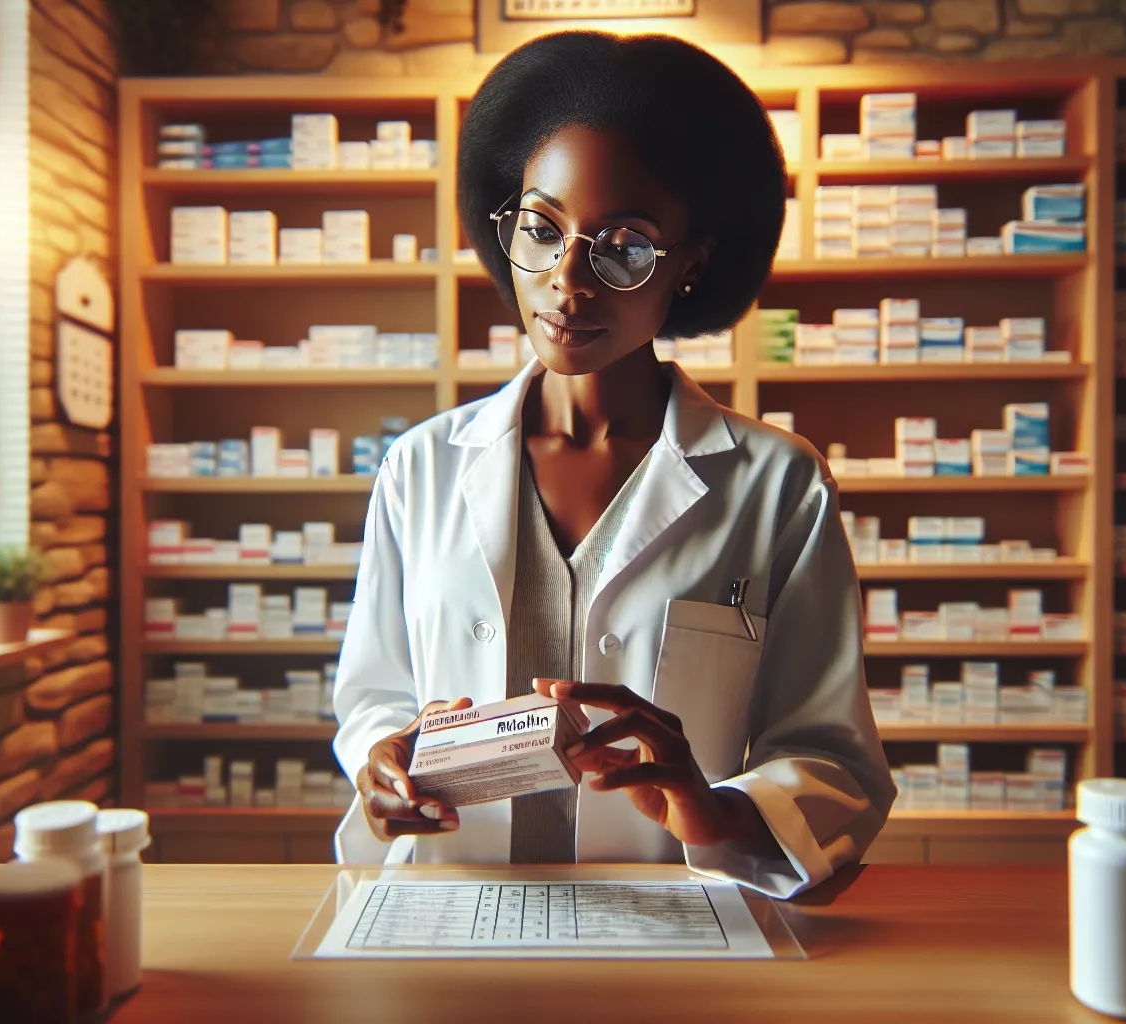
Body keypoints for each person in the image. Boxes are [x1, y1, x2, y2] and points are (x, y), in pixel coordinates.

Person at [331, 30, 895, 898]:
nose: (568, 281)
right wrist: (382, 764)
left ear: (690, 264)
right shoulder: (421, 469)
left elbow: (830, 761)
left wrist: (708, 809)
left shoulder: (779, 485)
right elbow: (372, 694)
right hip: (448, 913)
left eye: (624, 246)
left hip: (672, 925)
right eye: (542, 228)